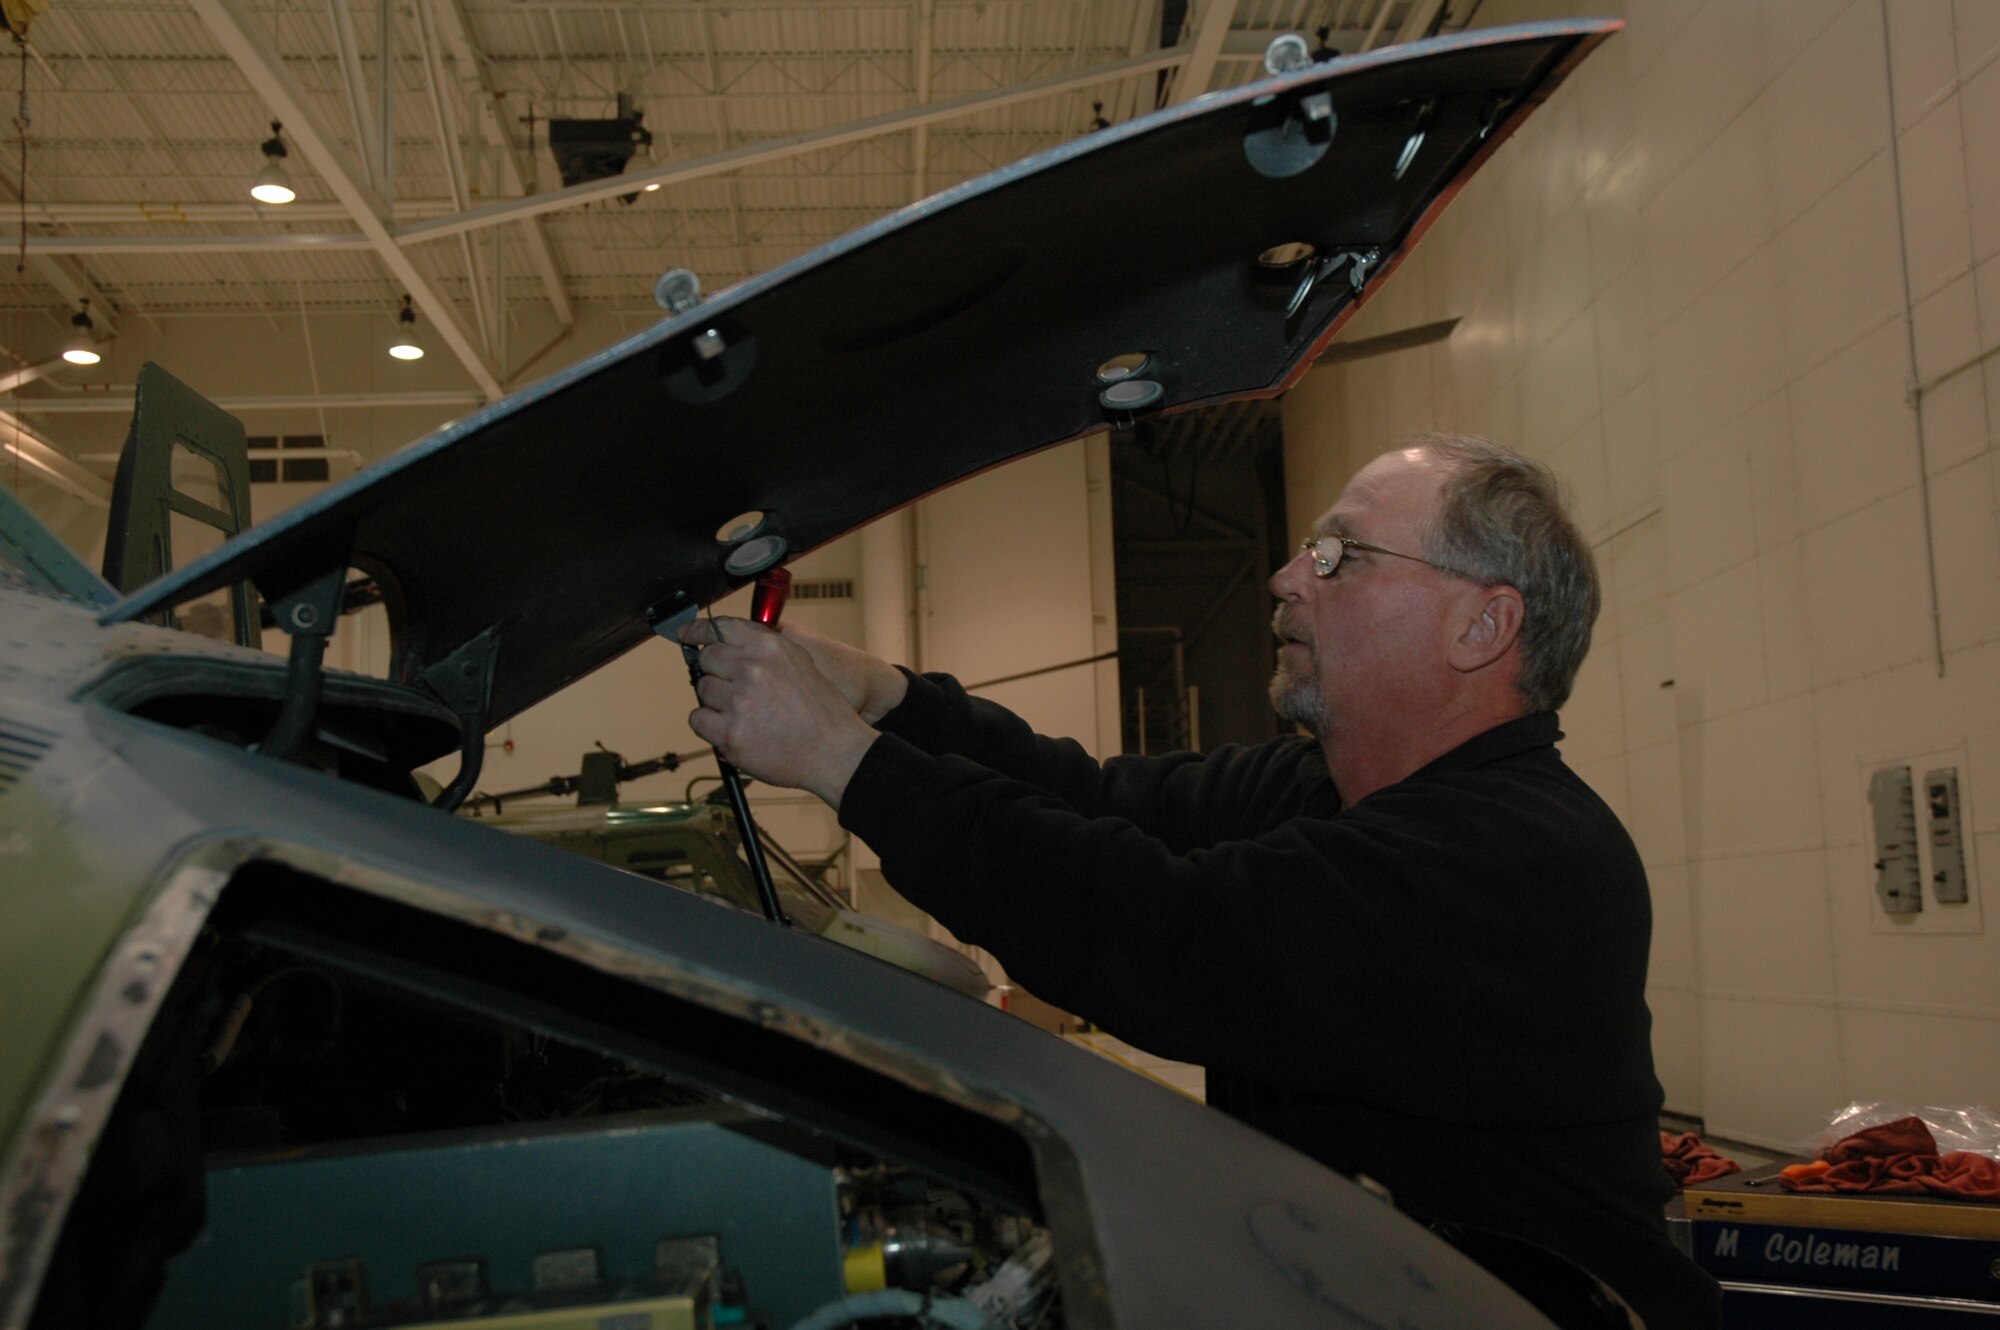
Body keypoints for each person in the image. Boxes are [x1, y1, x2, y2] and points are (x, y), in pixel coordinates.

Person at [678, 433, 1720, 1330]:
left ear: (1480, 626)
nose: (1286, 577)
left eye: (1340, 555)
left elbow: (1163, 932)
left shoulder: (1511, 855)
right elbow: (1090, 801)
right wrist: (885, 698)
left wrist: (843, 760)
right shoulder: (1321, 792)